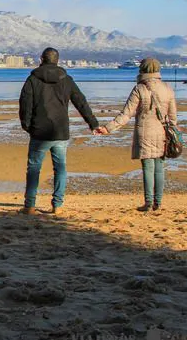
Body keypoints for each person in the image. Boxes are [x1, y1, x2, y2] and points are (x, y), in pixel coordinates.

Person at [19, 47, 100, 215]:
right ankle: (57, 204)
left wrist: (26, 125)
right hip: (60, 131)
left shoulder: (33, 80)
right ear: (57, 60)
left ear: (42, 59)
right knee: (60, 167)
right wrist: (93, 123)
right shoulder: (66, 79)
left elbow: (25, 104)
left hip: (40, 131)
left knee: (34, 168)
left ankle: (30, 205)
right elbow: (81, 102)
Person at [96, 58, 177, 211]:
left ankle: (148, 202)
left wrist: (108, 128)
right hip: (162, 133)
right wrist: (172, 134)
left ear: (143, 70)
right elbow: (173, 118)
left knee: (147, 167)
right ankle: (158, 202)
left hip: (144, 131)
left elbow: (126, 114)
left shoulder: (139, 89)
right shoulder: (167, 88)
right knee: (159, 167)